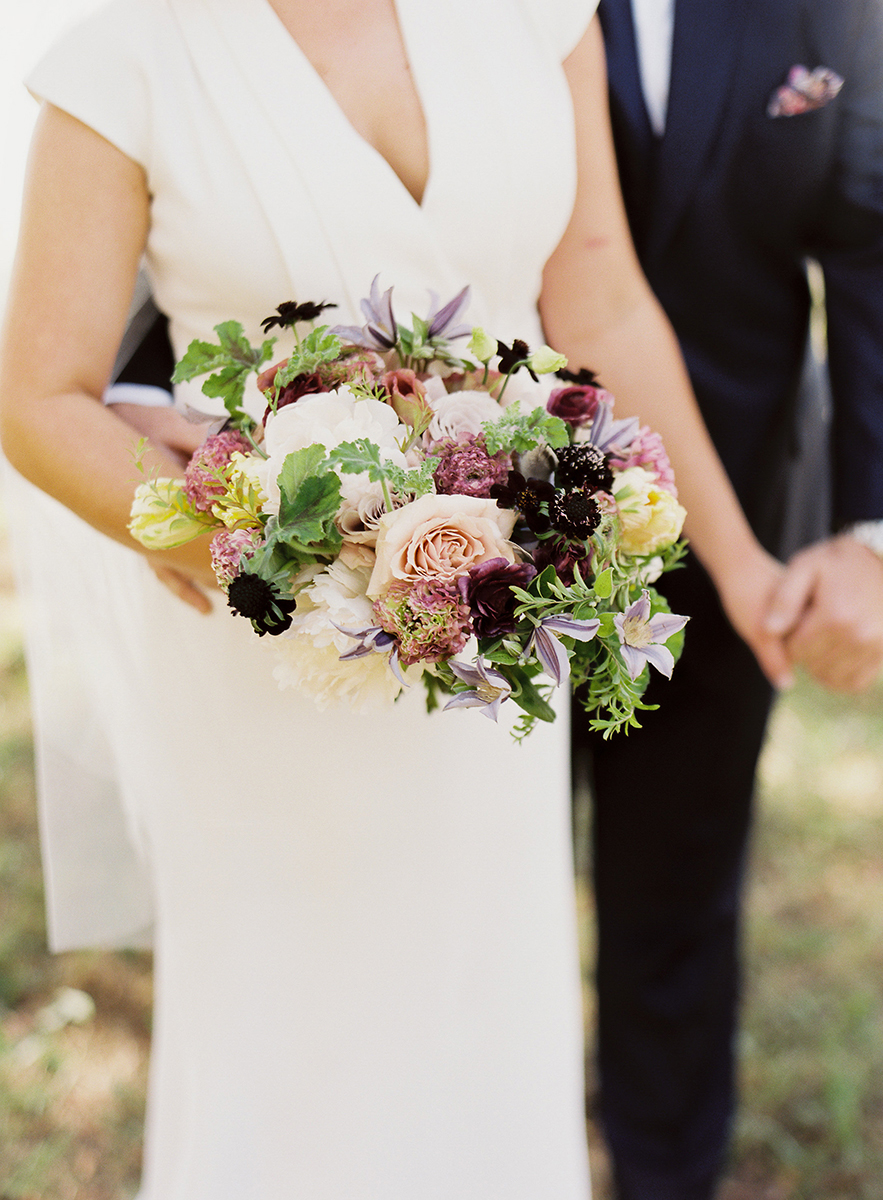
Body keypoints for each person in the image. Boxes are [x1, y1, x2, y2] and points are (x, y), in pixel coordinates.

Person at [0, 1, 791, 1196]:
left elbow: (602, 299)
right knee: (294, 1040)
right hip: (273, 656)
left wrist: (733, 559)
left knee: (479, 1015)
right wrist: (264, 553)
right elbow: (40, 399)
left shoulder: (541, 13)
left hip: (495, 635)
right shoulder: (132, 56)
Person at [574, 2, 883, 1198]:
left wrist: (867, 534)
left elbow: (871, 242)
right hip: (460, 522)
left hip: (739, 514)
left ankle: (663, 1174)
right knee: (454, 904)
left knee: (679, 899)